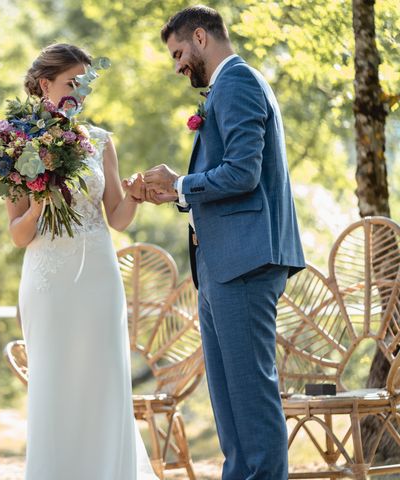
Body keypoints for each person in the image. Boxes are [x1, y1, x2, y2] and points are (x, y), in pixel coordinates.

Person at [143, 6, 306, 480]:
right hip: (221, 263)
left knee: (251, 402)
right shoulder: (227, 87)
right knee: (231, 410)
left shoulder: (237, 82)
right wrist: (176, 192)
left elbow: (242, 172)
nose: (177, 65)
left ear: (200, 36)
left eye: (178, 53)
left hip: (245, 263)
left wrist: (180, 184)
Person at [8, 43, 157, 480]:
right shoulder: (18, 142)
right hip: (48, 280)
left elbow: (118, 218)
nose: (81, 93)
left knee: (104, 383)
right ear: (44, 85)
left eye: (85, 84)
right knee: (54, 386)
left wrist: (134, 194)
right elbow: (18, 234)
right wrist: (37, 204)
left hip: (98, 278)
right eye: (73, 82)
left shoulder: (101, 141)